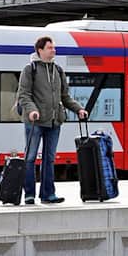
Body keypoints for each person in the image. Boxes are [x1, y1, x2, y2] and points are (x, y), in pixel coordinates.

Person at [17, 36, 87, 204]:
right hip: (35, 121)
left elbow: (65, 96)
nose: (53, 50)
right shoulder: (30, 69)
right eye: (50, 48)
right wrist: (32, 111)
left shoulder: (58, 70)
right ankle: (29, 194)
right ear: (40, 50)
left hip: (54, 122)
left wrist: (79, 109)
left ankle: (48, 194)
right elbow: (23, 95)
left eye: (54, 48)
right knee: (31, 157)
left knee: (49, 159)